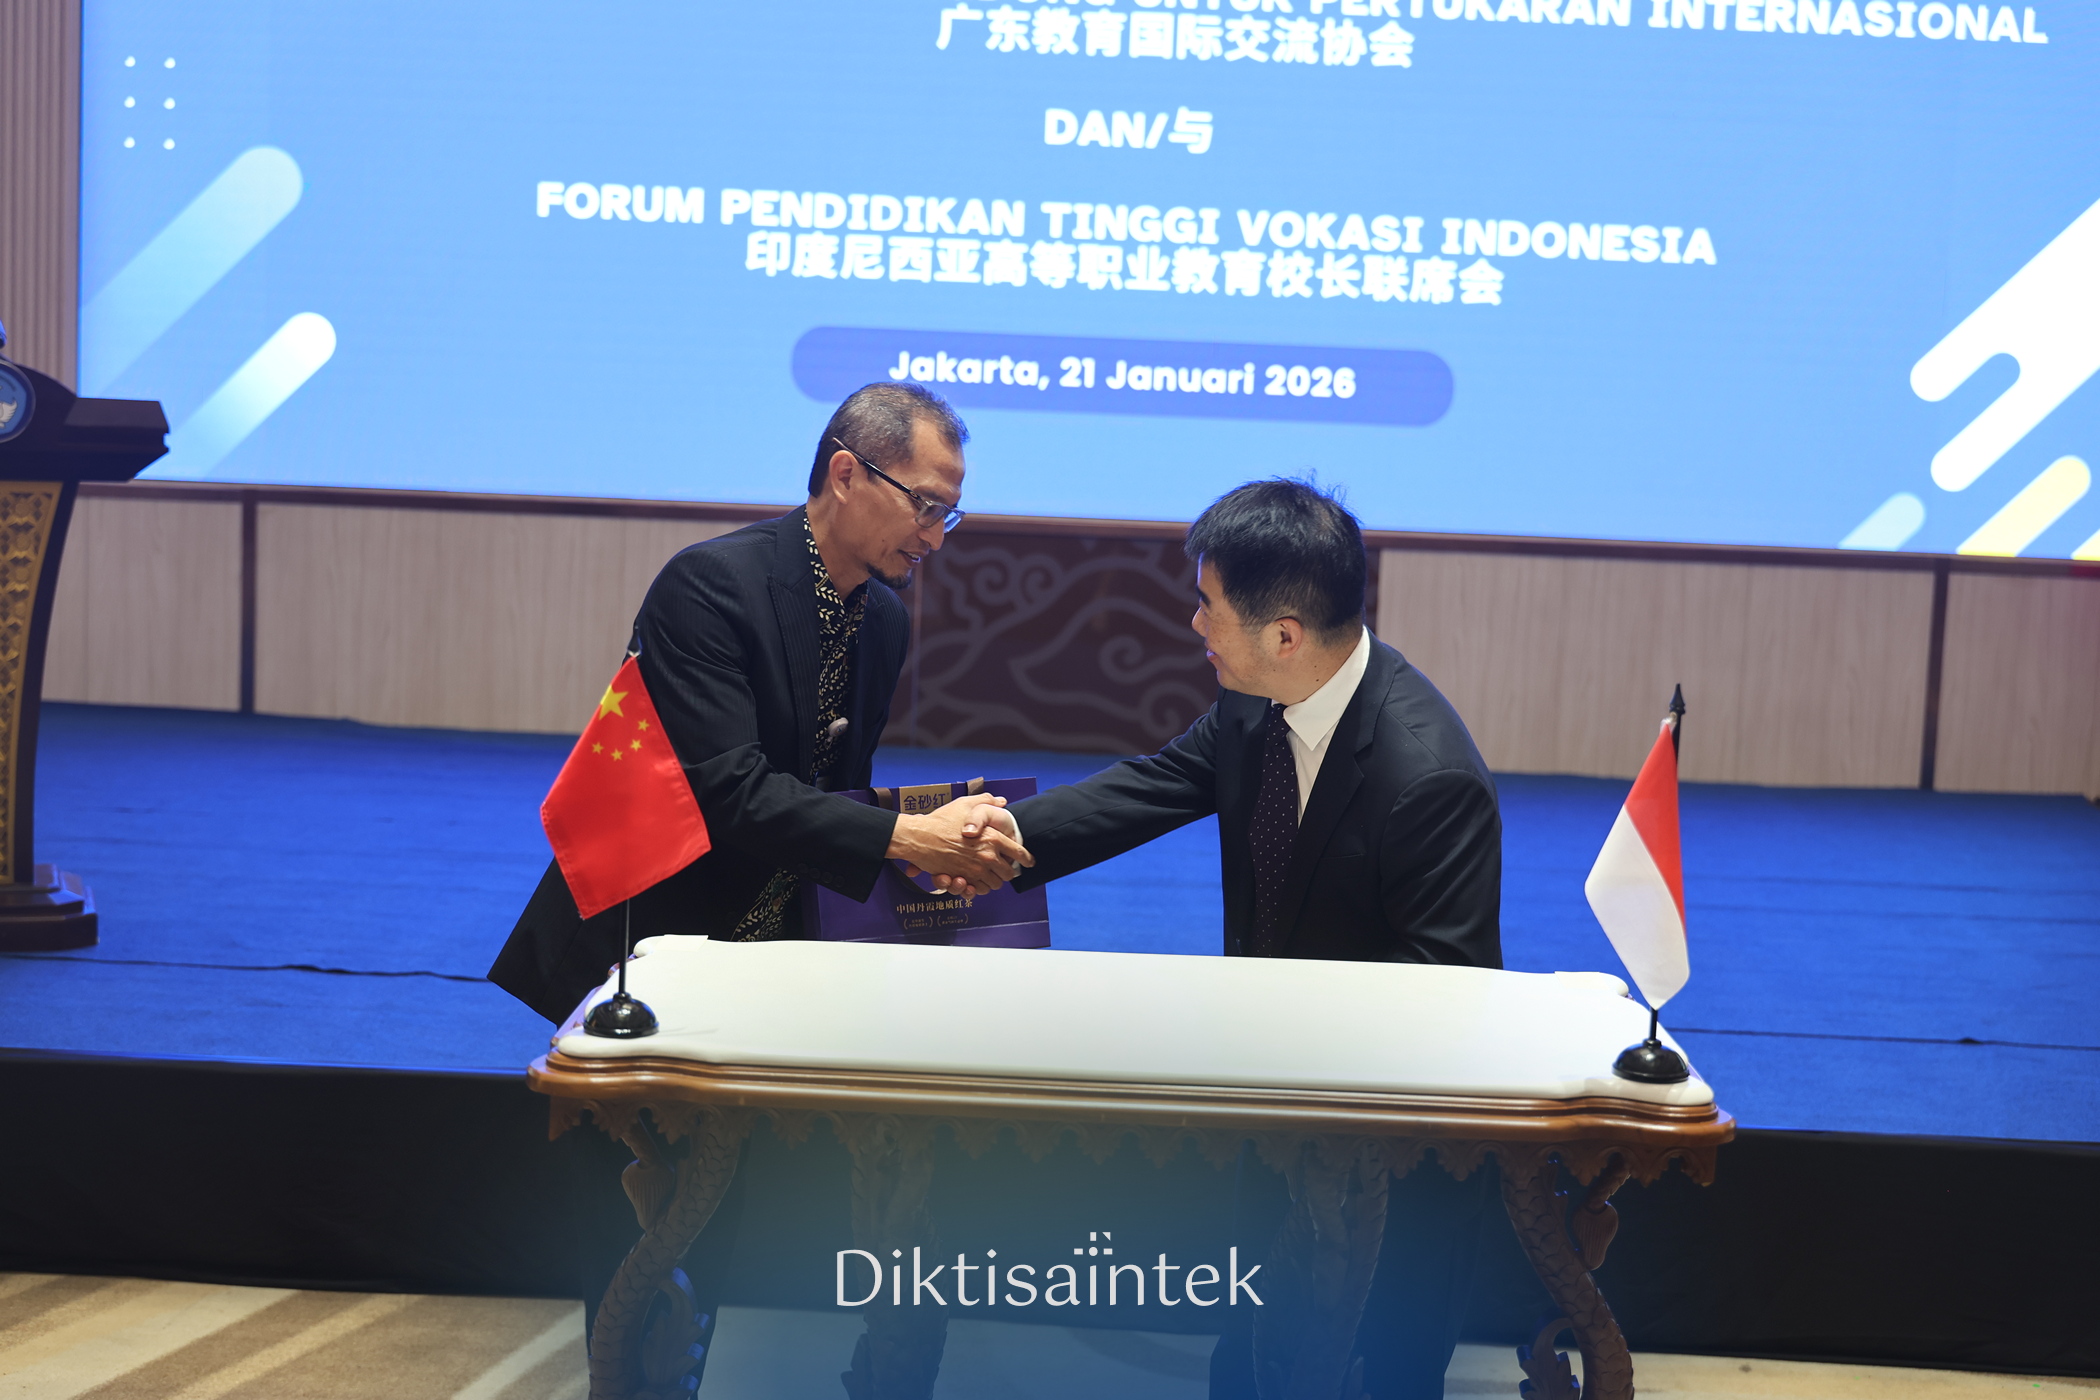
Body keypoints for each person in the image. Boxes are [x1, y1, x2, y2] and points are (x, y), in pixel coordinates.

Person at [972, 477, 1502, 1400]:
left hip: (1391, 1165)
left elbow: (1447, 992)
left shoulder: (1427, 777)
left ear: (1284, 634)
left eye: (1208, 605)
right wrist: (995, 838)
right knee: (1251, 1357)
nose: (1194, 624)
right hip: (1281, 1111)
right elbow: (1149, 787)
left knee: (1374, 1375)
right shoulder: (1254, 704)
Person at [490, 381, 1032, 1025]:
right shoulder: (711, 585)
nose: (936, 538)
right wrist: (912, 837)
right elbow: (731, 792)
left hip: (780, 943)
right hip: (652, 939)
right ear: (845, 475)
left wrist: (948, 839)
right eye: (924, 505)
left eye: (948, 515)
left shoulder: (884, 618)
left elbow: (836, 790)